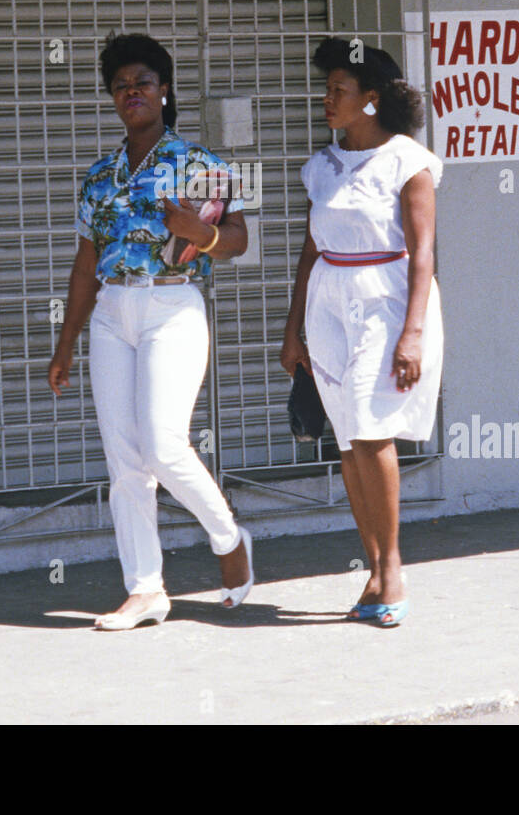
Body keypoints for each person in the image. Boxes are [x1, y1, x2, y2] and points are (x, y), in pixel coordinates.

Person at [48, 33, 254, 630]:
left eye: (142, 81)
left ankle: (228, 538)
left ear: (165, 91)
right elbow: (86, 264)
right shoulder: (97, 177)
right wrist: (65, 346)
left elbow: (240, 239)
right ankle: (145, 590)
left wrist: (203, 232)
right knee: (125, 461)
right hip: (113, 313)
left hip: (172, 306)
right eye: (120, 86)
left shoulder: (201, 163)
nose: (131, 92)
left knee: (165, 444)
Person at [280, 36, 443, 628]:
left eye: (337, 91)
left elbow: (423, 253)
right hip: (329, 300)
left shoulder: (409, 162)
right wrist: (294, 326)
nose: (326, 100)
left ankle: (393, 568)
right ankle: (372, 569)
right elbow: (309, 249)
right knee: (348, 438)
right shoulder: (322, 166)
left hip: (387, 301)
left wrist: (413, 333)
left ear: (370, 100)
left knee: (373, 430)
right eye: (326, 90)